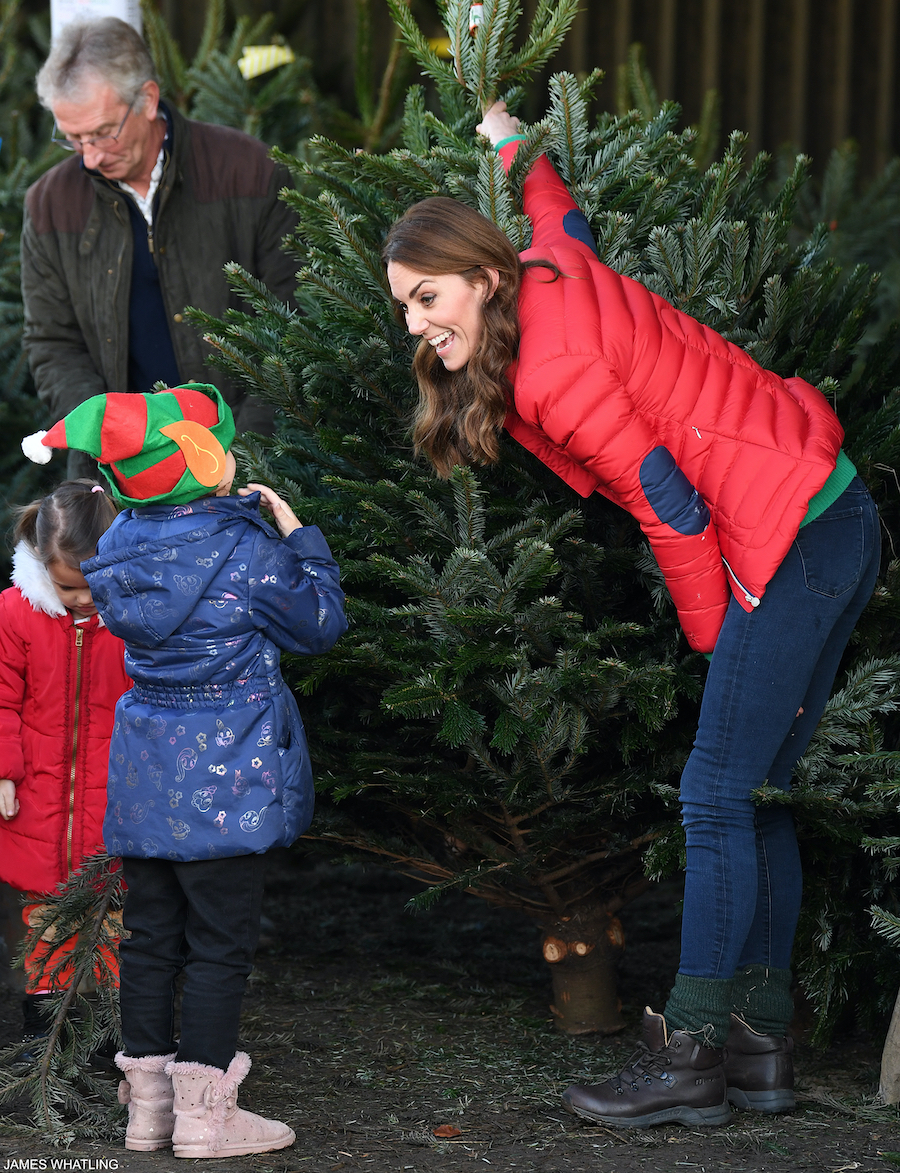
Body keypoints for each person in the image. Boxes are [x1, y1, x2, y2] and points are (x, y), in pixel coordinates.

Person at [382, 102, 880, 1129]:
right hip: (835, 510)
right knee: (762, 793)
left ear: (483, 277)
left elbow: (671, 504)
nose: (418, 325)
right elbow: (563, 213)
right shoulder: (549, 270)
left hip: (783, 533)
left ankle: (690, 1055)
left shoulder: (551, 373)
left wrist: (716, 638)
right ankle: (760, 1049)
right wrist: (513, 143)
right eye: (403, 306)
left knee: (713, 794)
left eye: (428, 296)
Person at [22, 383, 347, 1157]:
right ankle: (206, 1117)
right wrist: (303, 538)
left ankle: (149, 1111)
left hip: (144, 769)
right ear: (206, 460)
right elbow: (321, 624)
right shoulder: (246, 549)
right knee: (219, 942)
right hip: (229, 770)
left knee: (151, 935)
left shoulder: (118, 545)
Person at [22, 17, 298, 478]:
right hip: (113, 475)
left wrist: (244, 456)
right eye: (72, 139)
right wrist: (105, 436)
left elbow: (294, 322)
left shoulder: (251, 172)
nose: (89, 156)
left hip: (250, 460)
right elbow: (53, 342)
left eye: (103, 132)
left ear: (147, 100)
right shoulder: (50, 204)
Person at [0, 479, 130, 1052]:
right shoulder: (14, 613)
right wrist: (5, 767)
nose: (82, 600)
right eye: (67, 587)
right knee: (45, 917)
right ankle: (43, 1042)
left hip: (112, 799)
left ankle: (102, 1038)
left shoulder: (132, 619)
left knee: (107, 918)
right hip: (37, 801)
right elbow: (1, 695)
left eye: (91, 587)